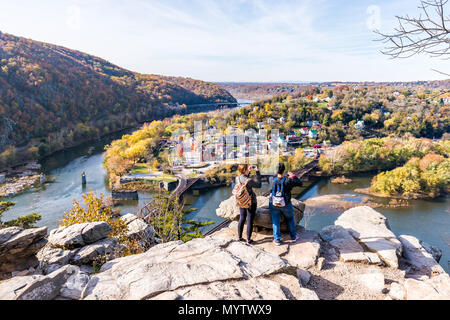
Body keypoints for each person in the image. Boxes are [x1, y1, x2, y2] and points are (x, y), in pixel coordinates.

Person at [269, 163, 303, 246]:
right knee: (290, 219)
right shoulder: (288, 180)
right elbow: (300, 183)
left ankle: (277, 240)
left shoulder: (271, 179)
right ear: (284, 171)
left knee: (275, 221)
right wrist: (293, 176)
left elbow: (274, 178)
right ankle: (293, 236)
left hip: (274, 204)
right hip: (285, 204)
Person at [234, 164, 261, 244]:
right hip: (250, 202)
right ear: (245, 170)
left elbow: (244, 182)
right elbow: (259, 185)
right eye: (247, 169)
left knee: (242, 218)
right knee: (249, 220)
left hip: (241, 201)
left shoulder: (237, 178)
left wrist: (248, 172)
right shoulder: (249, 181)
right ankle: (248, 240)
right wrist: (257, 172)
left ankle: (239, 237)